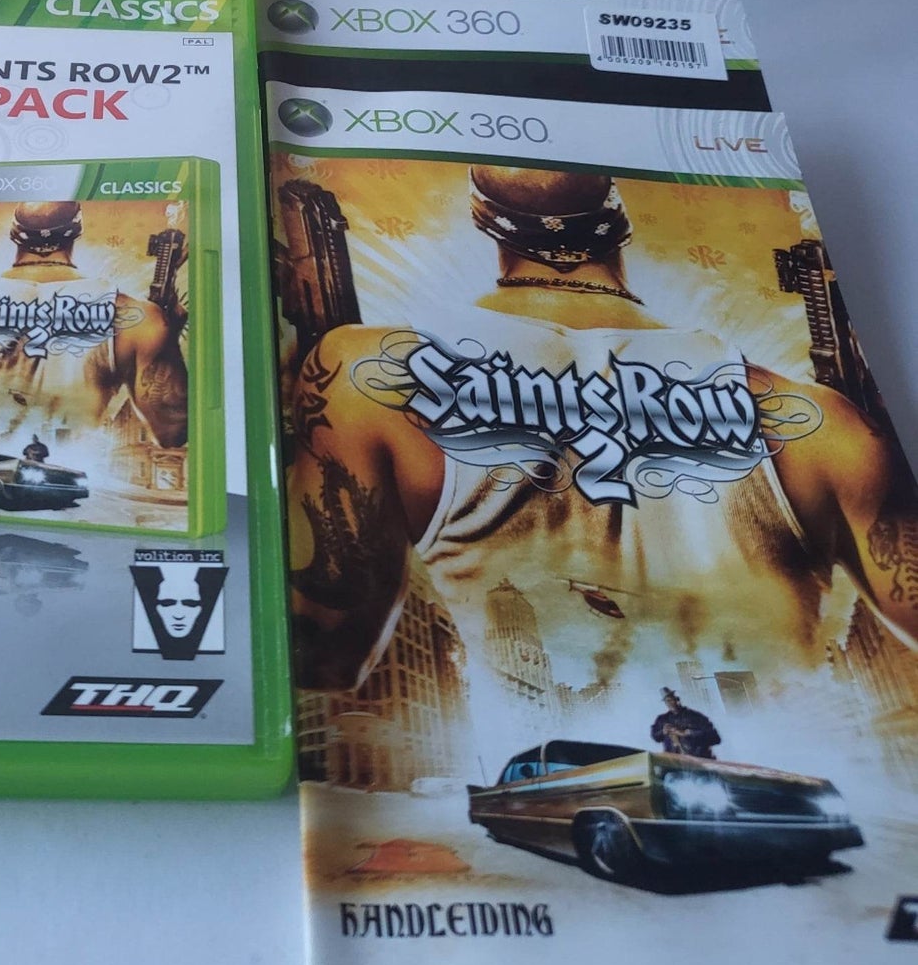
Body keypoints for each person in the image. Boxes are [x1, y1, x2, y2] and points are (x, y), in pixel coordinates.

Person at [285, 164, 918, 694]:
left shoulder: (368, 376)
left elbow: (326, 658)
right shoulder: (821, 423)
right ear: (620, 222)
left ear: (482, 218)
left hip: (544, 769)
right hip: (781, 777)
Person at [0, 200, 188, 452]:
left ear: (14, 233)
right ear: (77, 231)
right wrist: (169, 335)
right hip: (78, 474)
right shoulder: (137, 317)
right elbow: (171, 432)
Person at [651, 688, 721, 759]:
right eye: (668, 701)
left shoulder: (695, 716)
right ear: (665, 703)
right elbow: (655, 736)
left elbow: (715, 738)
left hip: (699, 759)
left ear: (677, 699)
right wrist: (663, 732)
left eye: (672, 699)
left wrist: (686, 733)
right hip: (673, 761)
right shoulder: (662, 720)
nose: (671, 703)